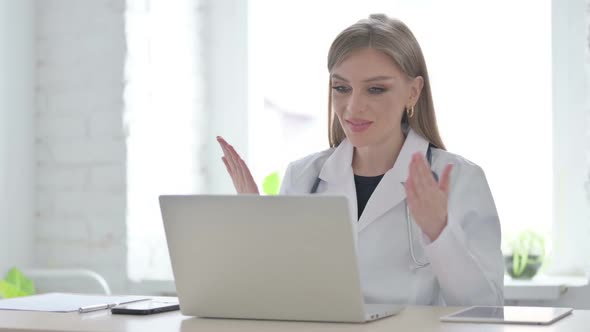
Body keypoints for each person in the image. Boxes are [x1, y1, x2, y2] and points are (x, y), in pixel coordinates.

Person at [217, 14, 503, 306]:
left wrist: (439, 232)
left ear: (413, 92)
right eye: (342, 88)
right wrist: (254, 230)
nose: (353, 107)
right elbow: (278, 299)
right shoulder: (303, 178)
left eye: (375, 89)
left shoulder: (460, 179)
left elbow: (487, 311)